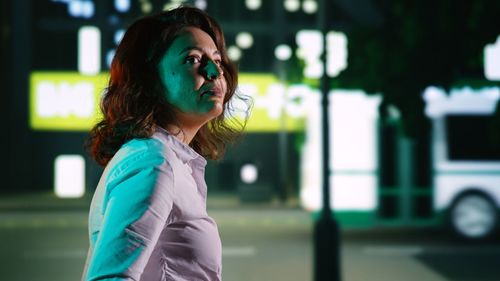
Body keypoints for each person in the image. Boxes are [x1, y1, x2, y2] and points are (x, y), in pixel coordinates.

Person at [82, 6, 246, 281]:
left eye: (216, 60)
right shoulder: (153, 162)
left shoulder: (169, 159)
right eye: (192, 60)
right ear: (150, 80)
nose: (214, 71)